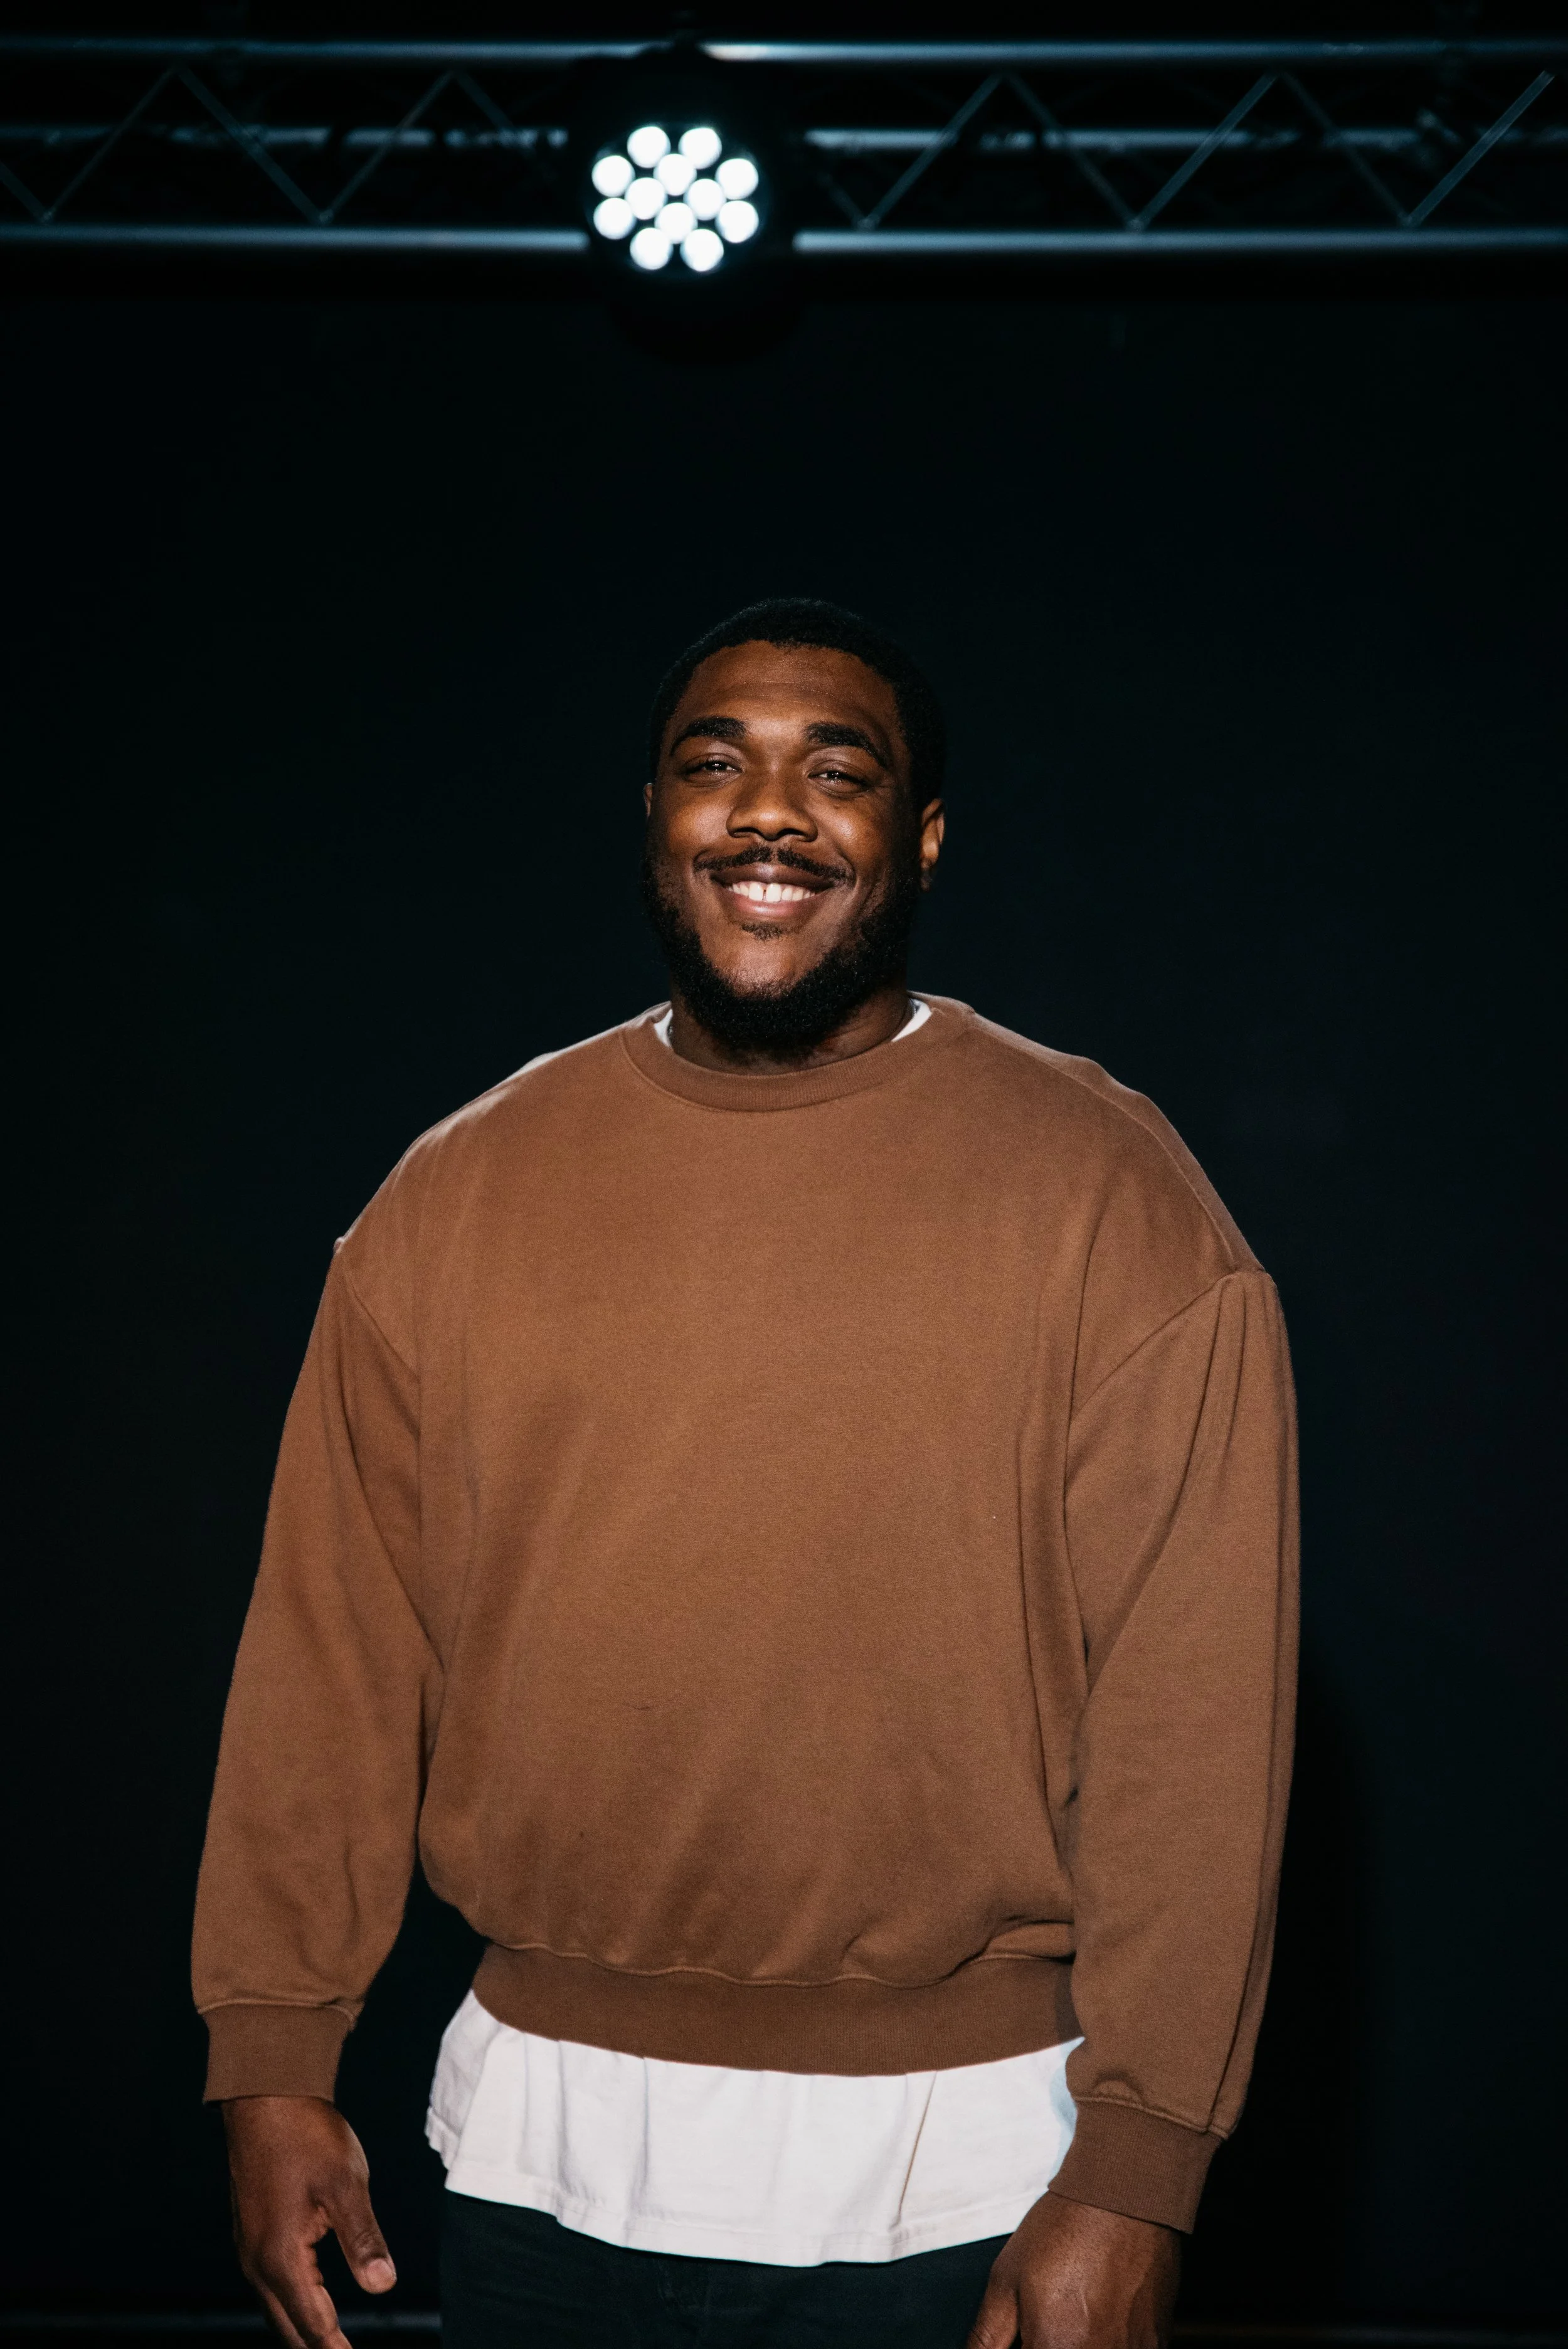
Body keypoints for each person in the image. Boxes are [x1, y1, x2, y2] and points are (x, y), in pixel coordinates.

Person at [196, 599, 1298, 2349]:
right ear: (655, 824)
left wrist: (1141, 2169)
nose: (768, 812)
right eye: (715, 768)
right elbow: (331, 1659)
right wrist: (271, 2056)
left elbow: (1194, 1720)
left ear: (920, 838)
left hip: (974, 2171)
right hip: (526, 2161)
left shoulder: (1109, 1197)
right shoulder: (457, 1195)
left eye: (835, 771)